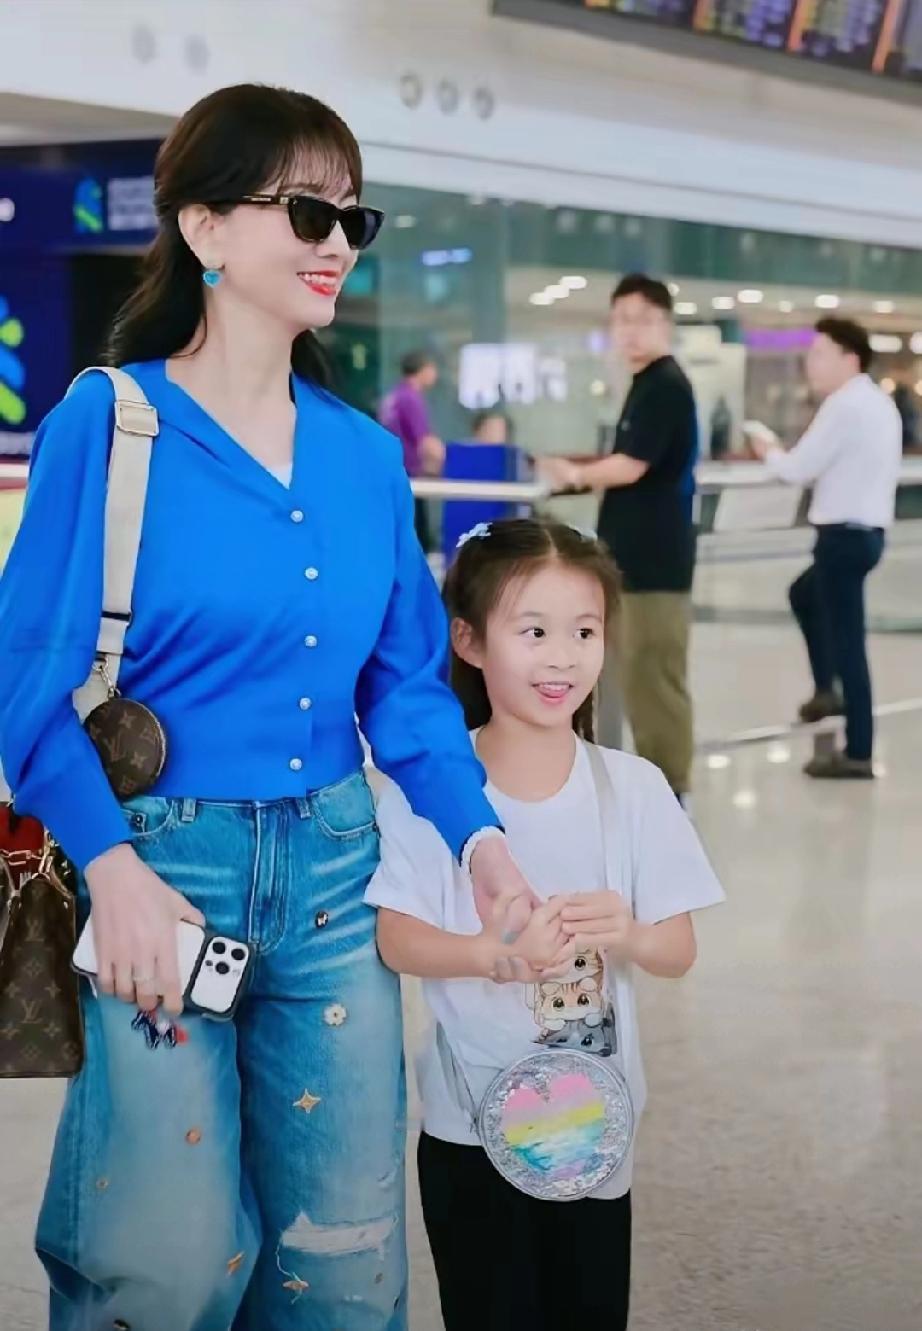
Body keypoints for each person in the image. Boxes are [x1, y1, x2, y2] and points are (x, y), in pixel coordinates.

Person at [0, 84, 540, 1331]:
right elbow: (28, 678)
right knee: (167, 1257)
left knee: (343, 1258)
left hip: (336, 873)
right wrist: (113, 869)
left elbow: (404, 685)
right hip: (161, 870)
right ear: (203, 228)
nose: (337, 242)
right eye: (307, 210)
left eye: (355, 217)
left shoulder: (362, 453)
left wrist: (482, 840)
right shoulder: (111, 420)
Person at [365, 517, 724, 1331]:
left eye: (584, 632)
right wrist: (488, 955)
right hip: (469, 1126)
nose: (563, 657)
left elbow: (677, 948)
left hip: (595, 1129)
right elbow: (397, 936)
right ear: (468, 639)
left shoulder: (632, 788)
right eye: (533, 632)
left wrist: (627, 930)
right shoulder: (428, 794)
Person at [541, 274, 698, 800]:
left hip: (656, 564)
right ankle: (646, 788)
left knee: (654, 680)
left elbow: (632, 465)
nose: (630, 331)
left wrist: (576, 475)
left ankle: (671, 793)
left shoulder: (665, 385)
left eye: (642, 320)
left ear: (665, 324)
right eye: (621, 320)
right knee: (633, 677)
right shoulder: (645, 383)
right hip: (635, 559)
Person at [748, 318, 902, 779]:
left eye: (819, 354)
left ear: (848, 359)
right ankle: (826, 691)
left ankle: (858, 750)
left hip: (842, 539)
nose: (810, 364)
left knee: (850, 644)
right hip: (866, 534)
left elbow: (796, 469)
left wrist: (767, 449)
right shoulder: (877, 403)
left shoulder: (844, 405)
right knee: (804, 594)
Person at [379, 350, 445, 552]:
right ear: (423, 370)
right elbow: (425, 442)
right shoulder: (411, 399)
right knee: (416, 535)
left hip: (393, 470)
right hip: (409, 474)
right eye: (432, 369)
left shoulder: (394, 396)